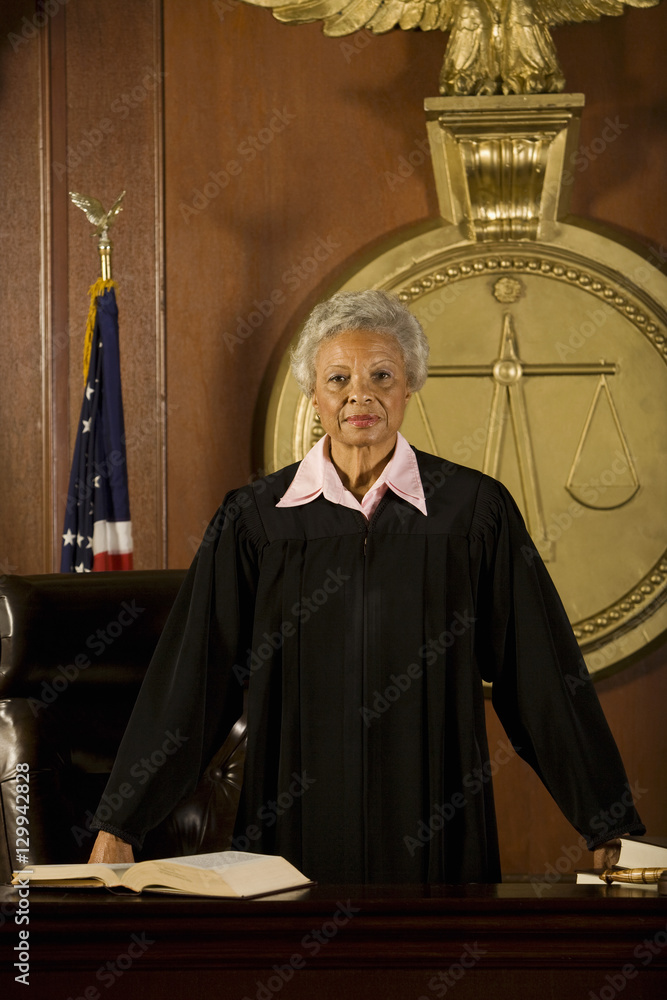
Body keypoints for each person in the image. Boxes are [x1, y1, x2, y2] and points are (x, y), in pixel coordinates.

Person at [89, 289, 644, 881]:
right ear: (314, 395)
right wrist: (121, 825)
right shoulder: (256, 521)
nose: (361, 394)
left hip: (437, 828)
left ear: (410, 386)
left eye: (383, 374)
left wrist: (608, 823)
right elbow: (193, 681)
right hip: (292, 835)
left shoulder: (473, 513)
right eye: (338, 378)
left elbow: (540, 677)